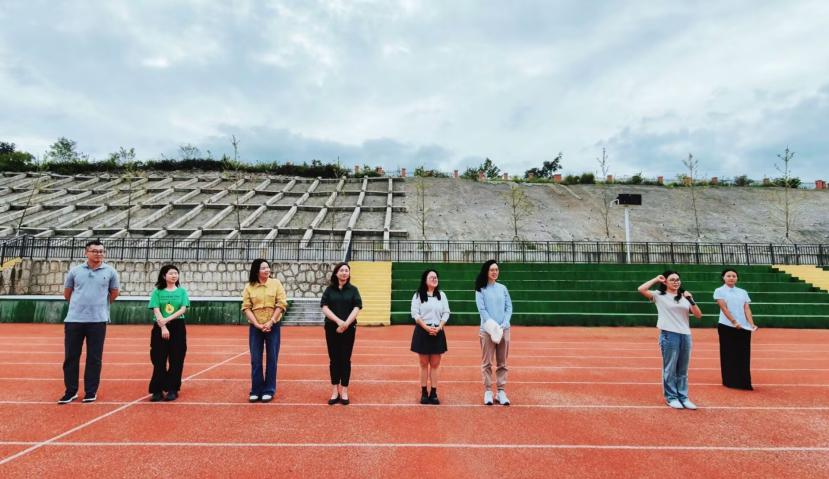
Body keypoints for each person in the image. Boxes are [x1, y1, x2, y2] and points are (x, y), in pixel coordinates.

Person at [58, 240, 120, 404]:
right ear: (86, 252)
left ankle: (90, 391)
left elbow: (114, 293)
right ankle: (70, 391)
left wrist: (99, 305)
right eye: (95, 251)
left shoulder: (110, 271)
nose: (98, 254)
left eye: (101, 251)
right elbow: (67, 293)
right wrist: (79, 305)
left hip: (98, 321)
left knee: (94, 358)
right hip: (74, 320)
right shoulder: (75, 271)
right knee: (71, 357)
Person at [638, 271, 703, 410]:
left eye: (678, 279)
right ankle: (671, 398)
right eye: (672, 279)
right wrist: (656, 279)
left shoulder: (685, 297)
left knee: (683, 370)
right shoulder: (659, 296)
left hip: (685, 335)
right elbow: (641, 289)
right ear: (665, 282)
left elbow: (698, 315)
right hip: (669, 335)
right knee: (670, 368)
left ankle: (683, 397)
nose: (676, 282)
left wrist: (691, 299)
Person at [241, 259, 288, 403]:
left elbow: (281, 303)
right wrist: (256, 324)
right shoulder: (249, 287)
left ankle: (269, 390)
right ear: (256, 271)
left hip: (273, 325)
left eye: (268, 267)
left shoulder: (276, 283)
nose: (267, 270)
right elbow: (246, 307)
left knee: (272, 358)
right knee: (255, 359)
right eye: (263, 268)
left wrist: (271, 321)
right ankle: (256, 390)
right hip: (256, 327)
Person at [320, 262, 362, 405]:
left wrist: (346, 324)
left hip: (349, 329)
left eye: (346, 270)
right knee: (334, 359)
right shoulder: (329, 290)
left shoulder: (353, 290)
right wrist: (339, 322)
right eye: (342, 270)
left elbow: (357, 307)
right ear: (336, 273)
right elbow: (324, 307)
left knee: (345, 359)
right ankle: (334, 391)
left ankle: (344, 391)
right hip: (332, 328)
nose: (344, 273)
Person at [148, 264, 190, 402]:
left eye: (176, 273)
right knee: (158, 359)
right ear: (164, 276)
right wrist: (163, 326)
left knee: (176, 359)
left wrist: (167, 320)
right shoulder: (157, 292)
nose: (174, 275)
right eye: (171, 273)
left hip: (177, 327)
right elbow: (156, 309)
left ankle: (173, 389)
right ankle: (157, 390)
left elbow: (183, 309)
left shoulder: (182, 292)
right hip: (160, 327)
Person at [475, 260, 513, 406]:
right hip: (487, 330)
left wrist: (504, 323)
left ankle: (501, 391)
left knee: (502, 362)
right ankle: (488, 391)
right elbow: (482, 310)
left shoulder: (503, 288)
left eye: (496, 269)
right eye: (492, 270)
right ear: (486, 271)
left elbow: (509, 307)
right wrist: (493, 326)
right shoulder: (480, 290)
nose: (495, 272)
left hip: (504, 329)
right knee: (487, 363)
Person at [410, 269, 450, 405]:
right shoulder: (418, 295)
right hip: (422, 331)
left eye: (436, 277)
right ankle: (424, 392)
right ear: (425, 280)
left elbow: (446, 312)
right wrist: (426, 327)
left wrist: (439, 327)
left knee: (435, 364)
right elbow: (415, 314)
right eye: (431, 277)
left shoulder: (442, 295)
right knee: (423, 364)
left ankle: (433, 393)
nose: (434, 279)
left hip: (437, 331)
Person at [714, 268, 757, 390]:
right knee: (729, 354)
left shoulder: (742, 292)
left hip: (743, 327)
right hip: (727, 326)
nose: (731, 278)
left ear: (737, 278)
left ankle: (743, 382)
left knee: (743, 355)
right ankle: (729, 381)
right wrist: (734, 322)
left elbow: (746, 308)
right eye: (728, 276)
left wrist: (751, 324)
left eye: (734, 276)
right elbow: (724, 308)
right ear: (723, 277)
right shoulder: (719, 291)